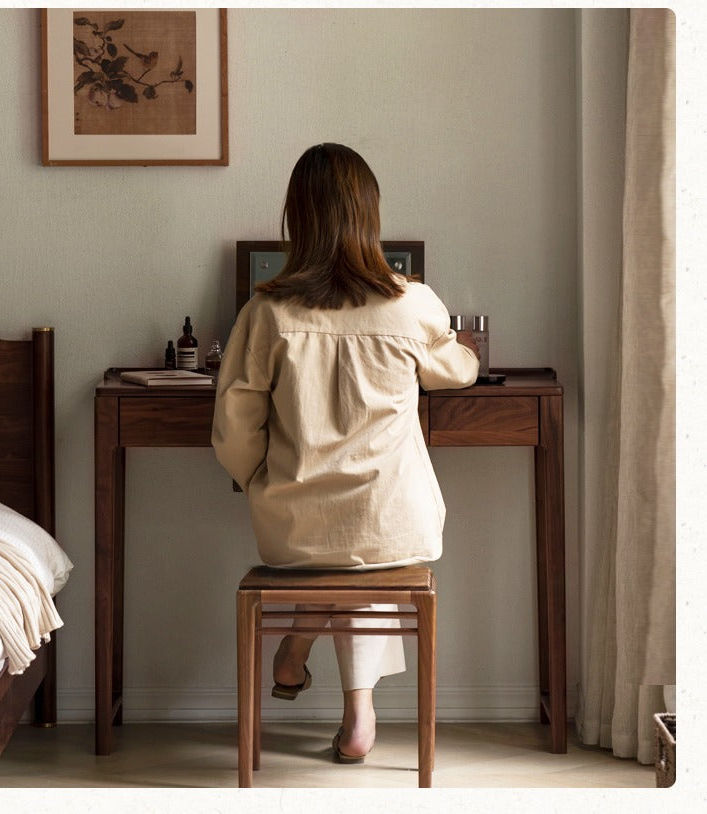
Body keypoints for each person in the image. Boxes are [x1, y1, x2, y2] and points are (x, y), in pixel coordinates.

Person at [212, 143, 479, 763]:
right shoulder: (410, 302)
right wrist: (456, 344)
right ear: (370, 216)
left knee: (338, 536)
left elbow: (233, 426)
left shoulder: (265, 312)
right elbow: (457, 371)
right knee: (370, 529)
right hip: (396, 523)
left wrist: (259, 481)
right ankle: (357, 712)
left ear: (296, 219)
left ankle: (299, 647)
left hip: (295, 526)